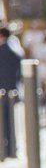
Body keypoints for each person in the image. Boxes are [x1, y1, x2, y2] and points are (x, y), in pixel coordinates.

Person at [0, 27, 21, 159]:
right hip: (11, 91)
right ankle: (11, 149)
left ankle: (7, 149)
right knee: (10, 121)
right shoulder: (14, 50)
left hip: (3, 92)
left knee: (5, 121)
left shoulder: (4, 50)